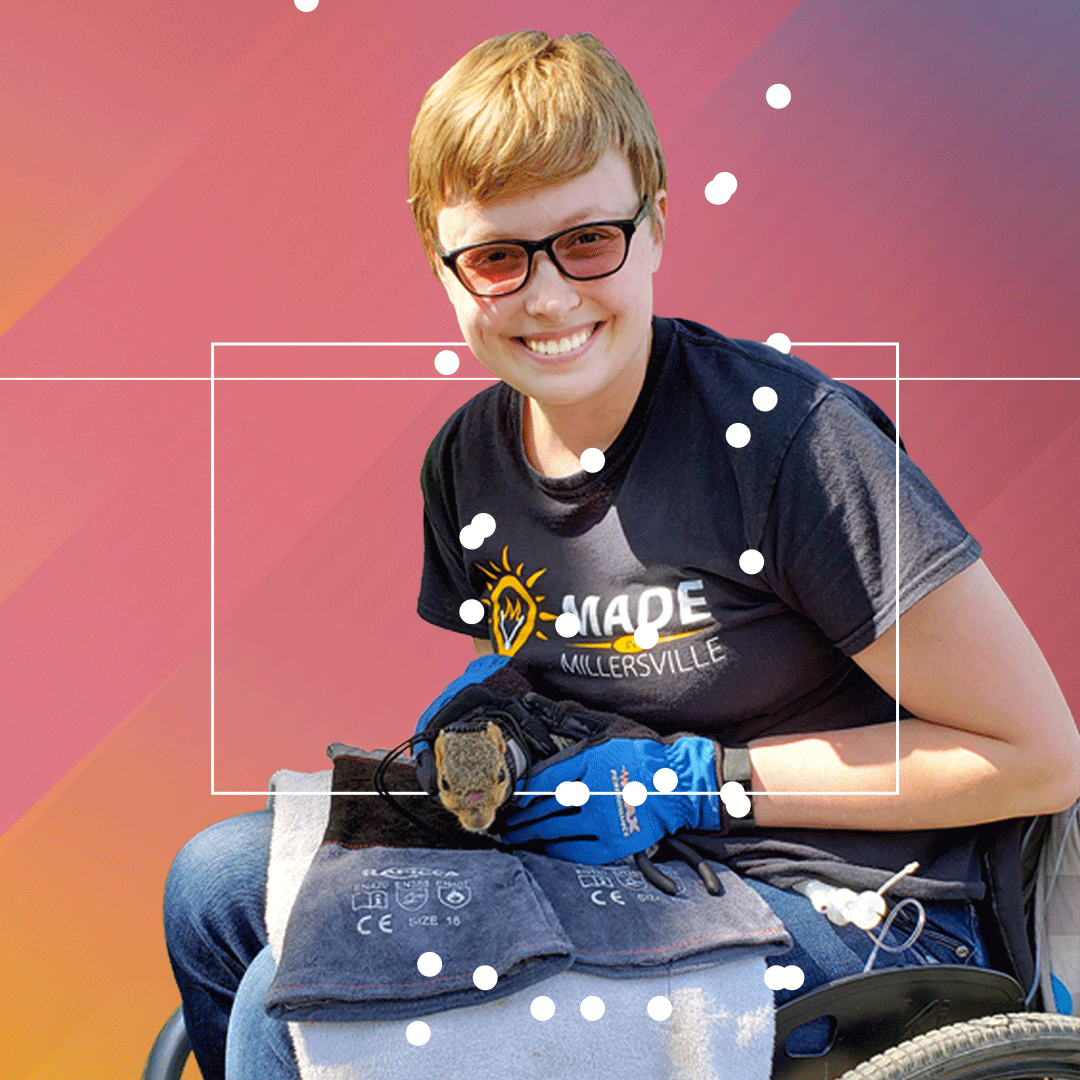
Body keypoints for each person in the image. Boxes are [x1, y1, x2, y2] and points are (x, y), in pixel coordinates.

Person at [164, 31, 1079, 1080]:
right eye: (499, 257)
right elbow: (542, 677)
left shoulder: (790, 446)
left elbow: (1037, 756)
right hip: (623, 872)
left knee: (291, 1012)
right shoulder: (467, 463)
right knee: (214, 889)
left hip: (853, 912)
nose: (549, 299)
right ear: (441, 261)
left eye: (589, 240)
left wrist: (704, 784)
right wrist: (484, 732)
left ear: (655, 223)